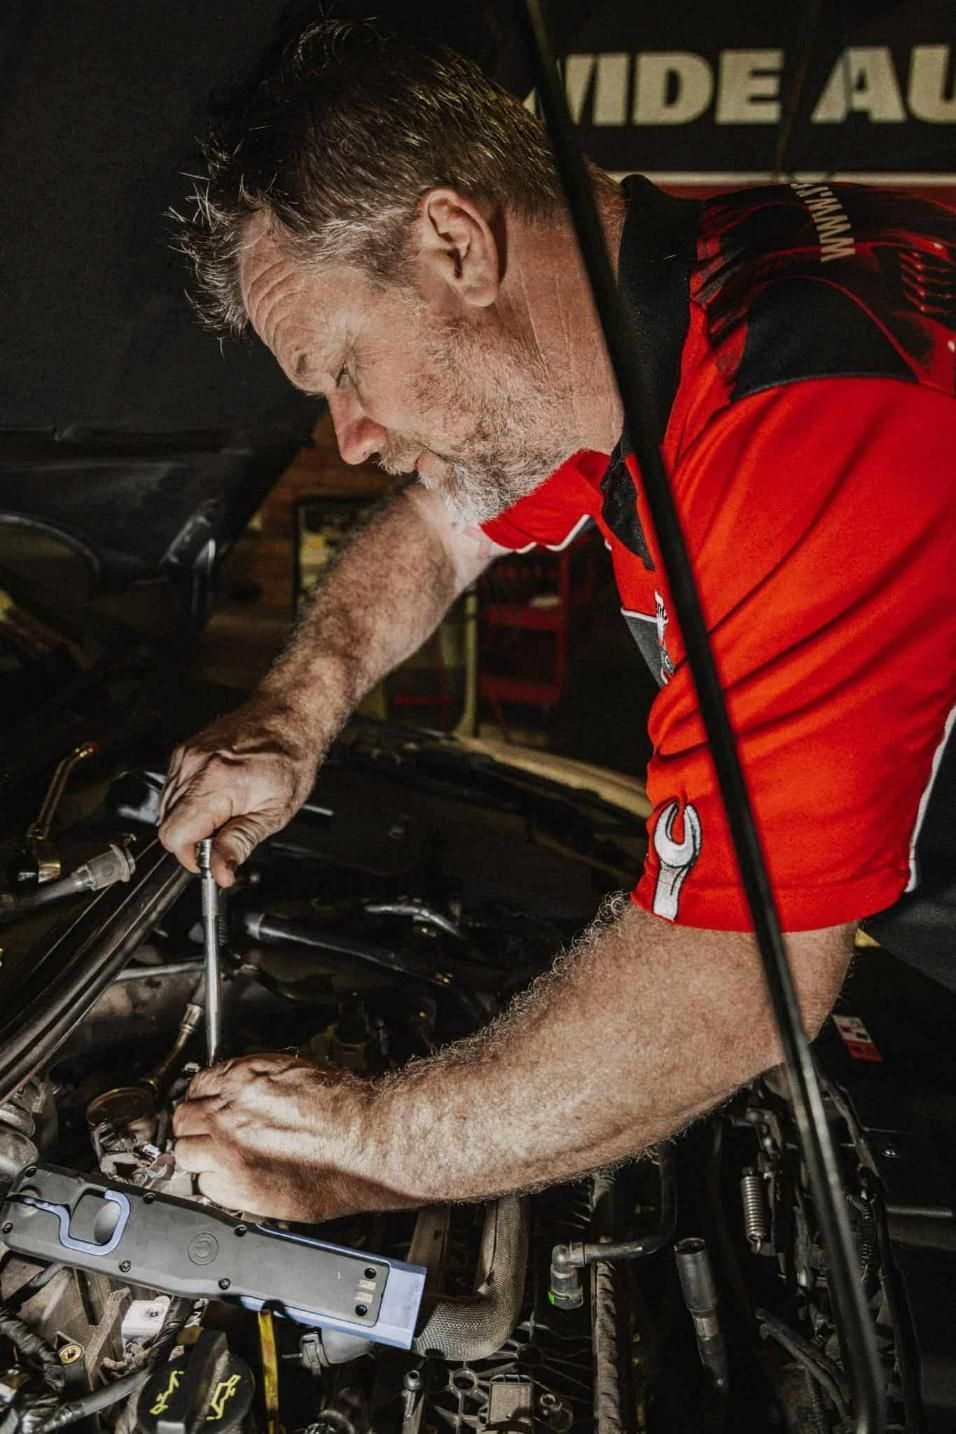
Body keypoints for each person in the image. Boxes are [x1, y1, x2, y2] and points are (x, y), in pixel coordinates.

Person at [160, 19, 956, 1220]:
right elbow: (444, 523)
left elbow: (739, 978)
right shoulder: (670, 303)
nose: (352, 439)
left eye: (341, 368)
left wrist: (368, 1145)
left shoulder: (805, 410)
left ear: (454, 243)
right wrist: (292, 712)